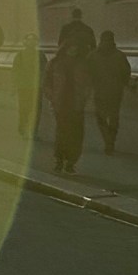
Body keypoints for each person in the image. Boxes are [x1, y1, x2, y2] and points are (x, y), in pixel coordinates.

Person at [44, 33, 93, 174]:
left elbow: (88, 83)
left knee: (76, 134)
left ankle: (71, 161)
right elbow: (47, 82)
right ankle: (59, 159)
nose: (73, 50)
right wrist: (52, 97)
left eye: (76, 48)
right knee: (62, 132)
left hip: (76, 104)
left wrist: (84, 98)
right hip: (61, 103)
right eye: (71, 48)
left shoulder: (83, 63)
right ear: (65, 48)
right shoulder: (54, 63)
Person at [90, 31, 133, 155]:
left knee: (101, 118)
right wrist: (126, 84)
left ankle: (107, 140)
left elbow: (87, 72)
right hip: (115, 91)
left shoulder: (93, 55)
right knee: (114, 116)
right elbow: (126, 72)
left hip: (99, 91)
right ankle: (111, 141)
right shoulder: (120, 55)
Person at [10, 32, 41, 138]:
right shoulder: (20, 55)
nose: (31, 42)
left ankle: (33, 130)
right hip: (24, 86)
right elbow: (15, 71)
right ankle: (23, 127)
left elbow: (45, 70)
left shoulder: (40, 55)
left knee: (35, 109)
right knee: (24, 109)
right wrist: (15, 85)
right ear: (25, 42)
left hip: (36, 87)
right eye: (29, 39)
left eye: (33, 40)